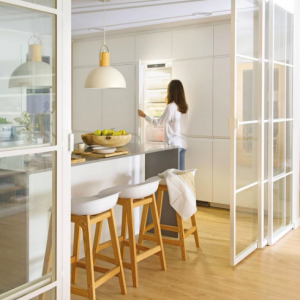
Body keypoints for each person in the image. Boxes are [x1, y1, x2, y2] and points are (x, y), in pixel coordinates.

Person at [138, 79, 188, 170]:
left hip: (174, 145)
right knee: (181, 176)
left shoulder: (171, 107)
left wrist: (144, 116)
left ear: (171, 92)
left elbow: (158, 123)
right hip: (183, 144)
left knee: (171, 176)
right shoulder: (184, 107)